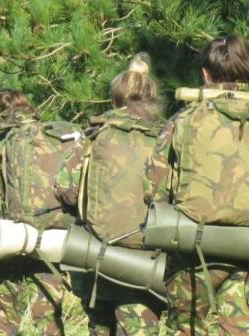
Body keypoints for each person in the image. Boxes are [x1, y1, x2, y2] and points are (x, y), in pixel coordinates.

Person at [145, 35, 249, 335]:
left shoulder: (185, 119)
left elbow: (153, 187)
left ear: (206, 75)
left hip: (193, 253)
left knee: (186, 329)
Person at [55, 52, 168, 335]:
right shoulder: (166, 139)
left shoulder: (93, 137)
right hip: (145, 263)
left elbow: (66, 190)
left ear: (114, 101)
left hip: (97, 259)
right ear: (152, 101)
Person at [0, 89, 69, 335]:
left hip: (11, 239)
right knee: (48, 312)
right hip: (51, 235)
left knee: (5, 310)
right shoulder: (52, 135)